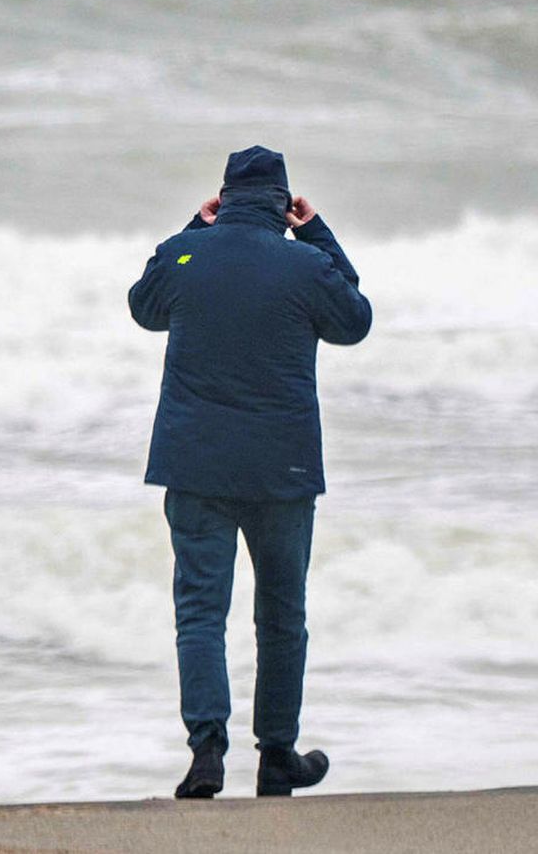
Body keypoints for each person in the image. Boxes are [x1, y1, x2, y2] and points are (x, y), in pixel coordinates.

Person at [127, 145, 372, 799]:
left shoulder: (188, 256)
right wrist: (316, 230)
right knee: (282, 615)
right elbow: (355, 318)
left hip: (196, 463)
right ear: (282, 204)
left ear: (224, 196)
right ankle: (276, 756)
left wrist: (192, 229)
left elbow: (143, 304)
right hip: (282, 470)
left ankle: (207, 753)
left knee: (201, 612)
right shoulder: (306, 262)